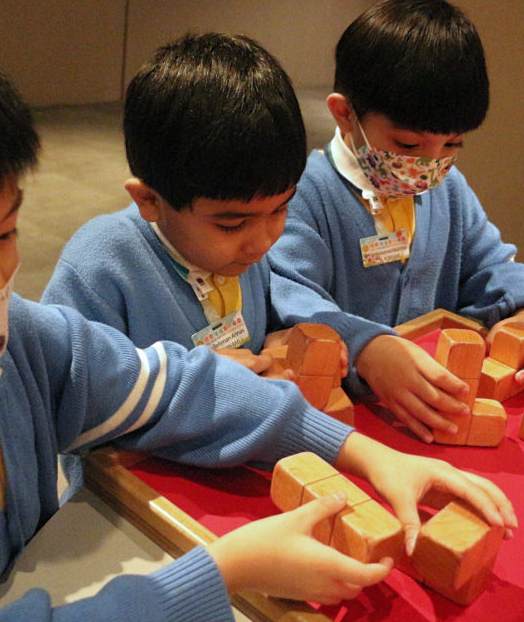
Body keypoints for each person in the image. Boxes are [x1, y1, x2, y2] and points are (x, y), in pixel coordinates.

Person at [0, 0, 516, 622]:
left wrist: (364, 453)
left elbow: (172, 386)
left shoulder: (20, 340)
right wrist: (221, 572)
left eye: (7, 234)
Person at [268, 0, 524, 443]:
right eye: (408, 145)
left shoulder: (449, 188)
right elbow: (291, 296)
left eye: (452, 144)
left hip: (431, 404)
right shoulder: (306, 194)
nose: (430, 164)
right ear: (345, 115)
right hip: (344, 418)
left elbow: (491, 263)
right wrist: (367, 347)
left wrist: (520, 312)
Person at [42, 31, 326, 377]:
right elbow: (68, 385)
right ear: (149, 200)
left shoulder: (242, 249)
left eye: (280, 209)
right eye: (232, 225)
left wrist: (276, 339)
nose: (263, 242)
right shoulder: (103, 267)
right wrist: (191, 382)